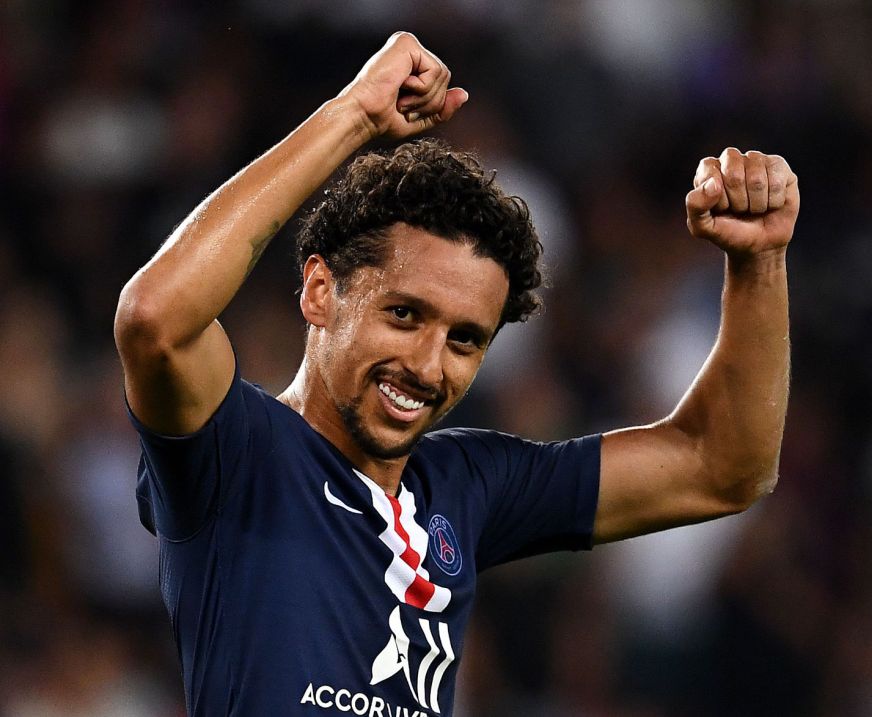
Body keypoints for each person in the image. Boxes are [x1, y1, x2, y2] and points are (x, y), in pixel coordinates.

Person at [114, 31, 798, 716]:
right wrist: (352, 115)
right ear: (320, 291)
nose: (427, 365)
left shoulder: (467, 484)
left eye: (464, 340)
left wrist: (759, 263)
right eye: (404, 314)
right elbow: (155, 319)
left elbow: (722, 466)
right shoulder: (238, 449)